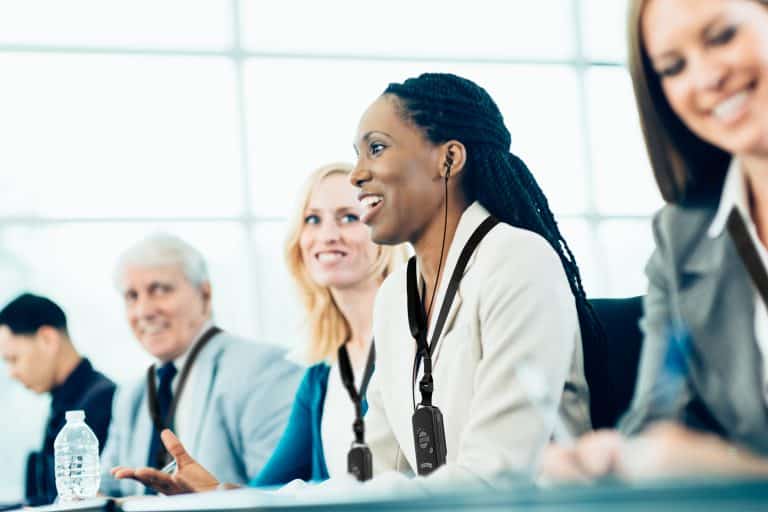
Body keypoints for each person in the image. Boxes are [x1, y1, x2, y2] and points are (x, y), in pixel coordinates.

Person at [112, 73, 606, 493]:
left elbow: (499, 471)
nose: (359, 174)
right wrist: (227, 499)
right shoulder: (399, 295)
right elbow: (370, 476)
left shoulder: (517, 260)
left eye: (376, 149)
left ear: (448, 160)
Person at [540, 0, 768, 481]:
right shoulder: (680, 238)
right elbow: (659, 419)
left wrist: (731, 470)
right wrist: (612, 460)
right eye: (673, 67)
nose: (705, 79)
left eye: (722, 36)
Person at [101, 234, 303, 496]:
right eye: (131, 296)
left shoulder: (264, 370)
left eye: (159, 290)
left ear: (205, 294)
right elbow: (104, 489)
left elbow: (281, 495)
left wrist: (209, 497)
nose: (143, 311)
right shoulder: (131, 396)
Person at [0, 293, 116, 505]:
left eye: (13, 359)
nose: (12, 372)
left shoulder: (101, 401)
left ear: (47, 339)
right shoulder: (67, 402)